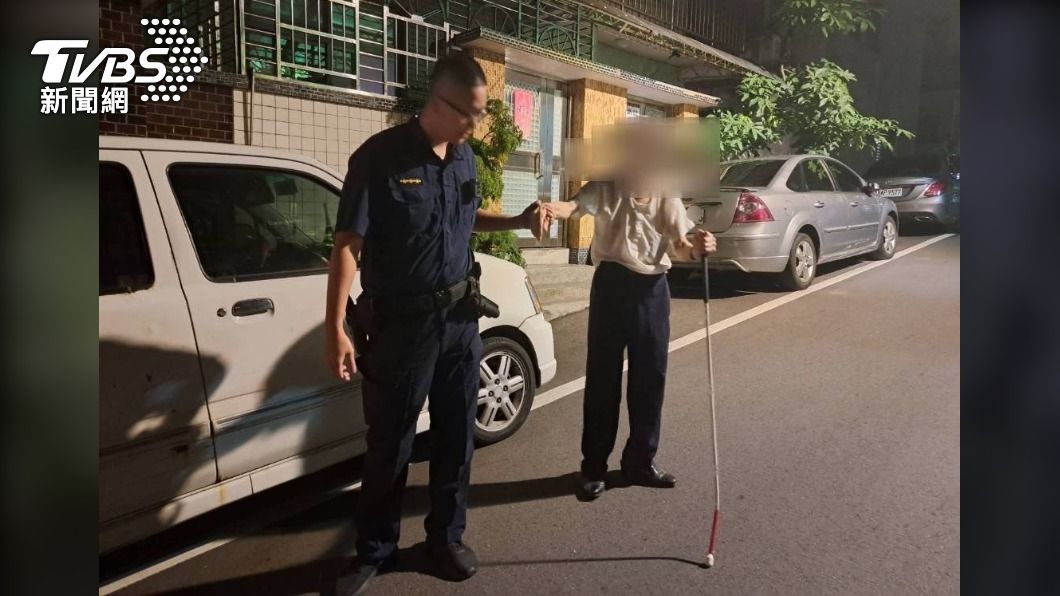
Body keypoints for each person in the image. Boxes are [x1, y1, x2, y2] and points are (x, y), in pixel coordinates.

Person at [324, 53, 549, 594]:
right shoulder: (378, 159)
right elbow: (349, 243)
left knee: (455, 438)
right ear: (438, 102)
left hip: (460, 321)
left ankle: (444, 538)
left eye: (480, 114)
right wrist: (334, 324)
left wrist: (518, 219)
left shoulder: (464, 158)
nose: (476, 125)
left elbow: (468, 220)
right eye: (469, 113)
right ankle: (375, 551)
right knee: (392, 444)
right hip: (401, 328)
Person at [544, 183, 716, 501]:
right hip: (611, 284)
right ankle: (593, 468)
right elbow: (574, 206)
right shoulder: (606, 187)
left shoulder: (667, 194)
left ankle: (639, 462)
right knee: (602, 380)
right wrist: (552, 209)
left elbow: (679, 244)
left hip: (652, 290)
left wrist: (696, 249)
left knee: (650, 380)